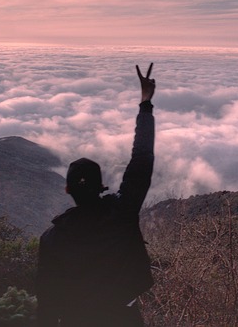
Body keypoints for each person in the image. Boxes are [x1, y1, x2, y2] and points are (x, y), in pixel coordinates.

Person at [35, 63, 156, 327]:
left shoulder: (51, 239)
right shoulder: (121, 215)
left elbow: (46, 300)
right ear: (101, 186)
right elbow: (141, 162)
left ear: (68, 190)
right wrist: (145, 105)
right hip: (123, 318)